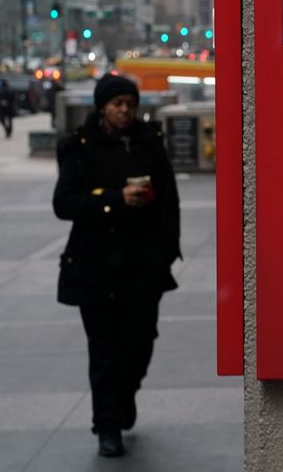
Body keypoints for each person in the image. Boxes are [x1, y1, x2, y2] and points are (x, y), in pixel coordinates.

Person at [53, 73, 181, 457]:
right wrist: (115, 199)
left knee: (140, 342)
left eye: (130, 104)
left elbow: (169, 199)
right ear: (102, 107)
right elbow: (65, 204)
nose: (125, 111)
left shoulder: (149, 141)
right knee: (105, 349)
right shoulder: (78, 146)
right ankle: (107, 425)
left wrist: (168, 249)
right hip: (95, 265)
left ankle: (125, 398)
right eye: (117, 104)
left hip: (143, 265)